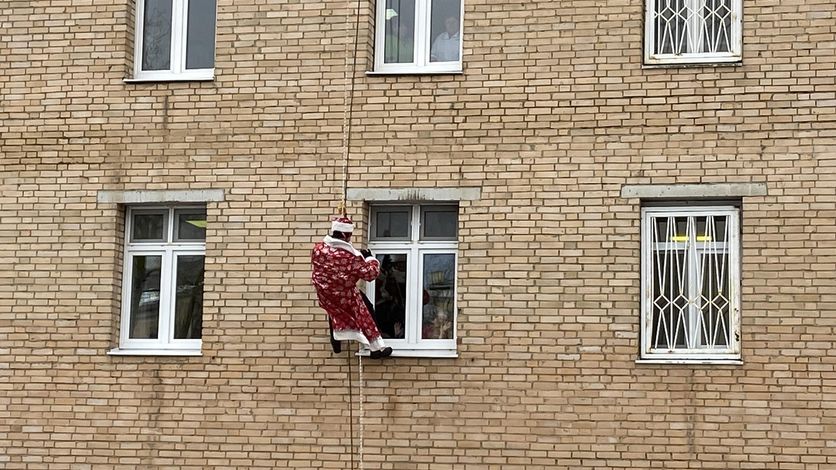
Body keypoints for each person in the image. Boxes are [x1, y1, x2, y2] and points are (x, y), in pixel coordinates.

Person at [311, 216, 393, 358]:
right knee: (364, 311)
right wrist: (369, 259)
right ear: (344, 235)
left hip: (324, 292)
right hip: (344, 293)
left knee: (334, 311)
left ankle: (336, 340)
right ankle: (376, 348)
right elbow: (370, 274)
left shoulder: (318, 249)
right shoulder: (349, 257)